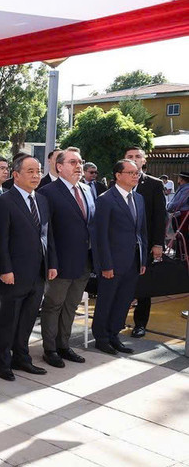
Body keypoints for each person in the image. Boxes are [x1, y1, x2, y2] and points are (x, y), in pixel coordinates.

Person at [0, 154, 56, 382]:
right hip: (13, 273)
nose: (36, 175)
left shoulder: (42, 200)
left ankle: (22, 357)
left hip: (38, 272)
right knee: (8, 320)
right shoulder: (4, 202)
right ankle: (3, 362)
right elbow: (0, 240)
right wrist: (5, 269)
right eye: (30, 171)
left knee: (28, 318)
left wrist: (52, 264)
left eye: (38, 171)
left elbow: (47, 235)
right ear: (16, 175)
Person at [38, 147, 94, 368]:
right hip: (60, 262)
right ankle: (50, 349)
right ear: (59, 167)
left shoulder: (87, 189)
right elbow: (47, 232)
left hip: (84, 261)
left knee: (71, 306)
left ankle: (64, 345)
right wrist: (51, 262)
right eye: (72, 162)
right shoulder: (48, 192)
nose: (78, 166)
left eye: (80, 162)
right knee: (54, 305)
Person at [92, 159, 147, 355]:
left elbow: (142, 231)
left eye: (137, 172)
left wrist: (142, 259)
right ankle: (101, 338)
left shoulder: (138, 198)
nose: (135, 176)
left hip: (133, 261)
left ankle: (114, 335)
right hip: (112, 263)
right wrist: (105, 265)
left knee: (124, 301)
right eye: (131, 173)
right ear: (118, 175)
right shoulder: (106, 199)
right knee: (106, 301)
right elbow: (100, 236)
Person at [123, 147, 167, 339]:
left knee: (143, 286)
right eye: (129, 157)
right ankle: (117, 320)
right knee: (121, 284)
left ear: (144, 160)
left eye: (137, 156)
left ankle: (140, 324)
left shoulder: (154, 184)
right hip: (121, 245)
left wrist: (158, 243)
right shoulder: (116, 182)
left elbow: (160, 217)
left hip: (145, 246)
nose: (134, 159)